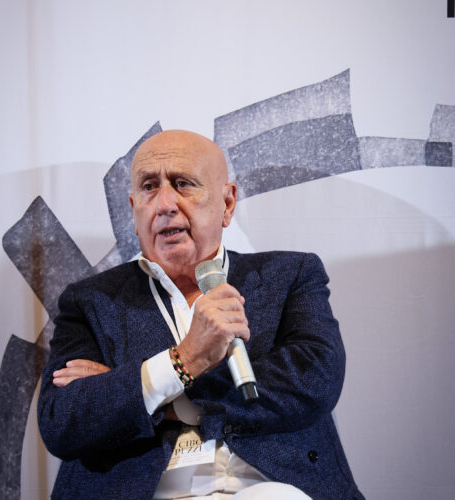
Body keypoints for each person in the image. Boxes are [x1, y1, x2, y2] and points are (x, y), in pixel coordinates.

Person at [38, 130, 364, 500]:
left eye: (183, 184)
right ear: (133, 209)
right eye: (149, 187)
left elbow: (313, 381)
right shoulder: (90, 301)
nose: (165, 204)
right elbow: (62, 421)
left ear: (227, 203)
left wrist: (149, 391)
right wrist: (186, 358)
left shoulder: (289, 274)